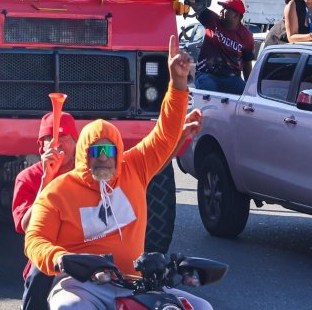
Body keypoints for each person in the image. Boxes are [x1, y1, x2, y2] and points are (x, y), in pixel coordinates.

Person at [24, 37, 208, 310]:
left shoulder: (134, 168)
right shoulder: (58, 191)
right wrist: (58, 257)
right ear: (84, 154)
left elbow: (165, 135)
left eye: (109, 152)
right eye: (95, 152)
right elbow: (34, 238)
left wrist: (178, 84)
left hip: (136, 283)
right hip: (80, 285)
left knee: (201, 307)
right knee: (69, 308)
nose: (102, 159)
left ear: (119, 152)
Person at [12, 111, 81, 310]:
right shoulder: (27, 178)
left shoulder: (88, 175)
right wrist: (46, 181)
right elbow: (25, 226)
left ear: (76, 143)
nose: (56, 144)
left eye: (63, 137)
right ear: (40, 146)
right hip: (49, 255)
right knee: (38, 275)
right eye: (49, 138)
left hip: (88, 248)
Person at [176, 0, 254, 94]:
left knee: (243, 95)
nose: (221, 11)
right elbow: (195, 3)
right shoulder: (212, 19)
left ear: (236, 15)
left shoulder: (246, 36)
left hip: (232, 78)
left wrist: (249, 89)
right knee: (209, 90)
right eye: (222, 7)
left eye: (226, 9)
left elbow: (247, 63)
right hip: (207, 74)